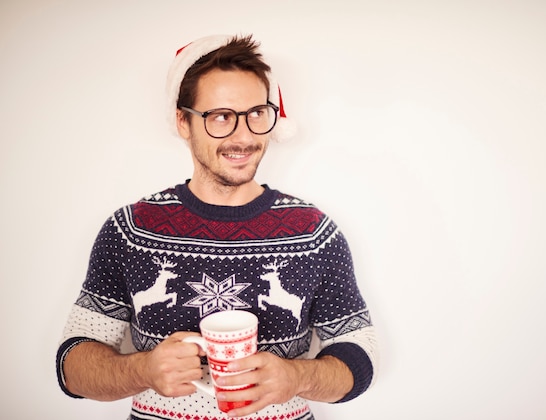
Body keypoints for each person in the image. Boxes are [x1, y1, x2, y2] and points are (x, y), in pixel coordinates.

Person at [56, 34, 378, 420]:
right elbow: (72, 366)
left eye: (256, 113)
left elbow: (359, 354)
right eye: (220, 116)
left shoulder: (313, 233)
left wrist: (297, 376)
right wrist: (142, 369)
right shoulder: (130, 229)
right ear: (183, 121)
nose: (243, 136)